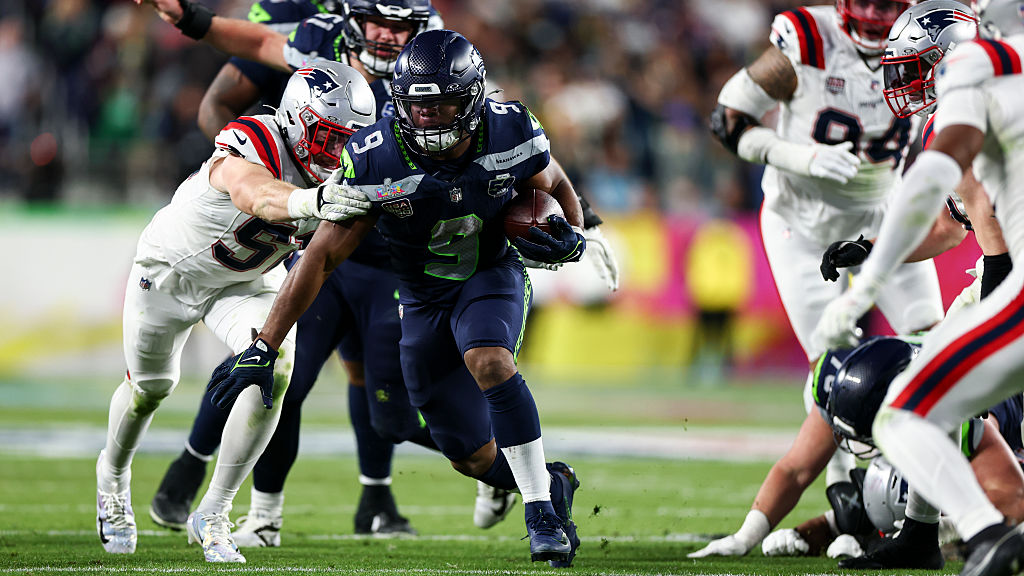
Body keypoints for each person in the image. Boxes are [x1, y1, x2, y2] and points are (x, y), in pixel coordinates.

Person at [139, 0, 521, 543]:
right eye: (378, 23)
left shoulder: (434, 68)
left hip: (395, 262)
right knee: (274, 376)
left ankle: (494, 468)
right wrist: (191, 19)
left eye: (400, 26)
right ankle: (263, 515)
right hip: (322, 245)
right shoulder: (319, 42)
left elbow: (495, 141)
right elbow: (257, 44)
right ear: (354, 19)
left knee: (391, 415)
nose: (387, 37)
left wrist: (559, 208)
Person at [204, 30, 584, 567]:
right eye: (417, 106)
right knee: (471, 456)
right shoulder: (376, 156)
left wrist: (572, 231)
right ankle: (553, 481)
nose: (427, 118)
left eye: (442, 104)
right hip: (422, 298)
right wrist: (266, 343)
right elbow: (322, 257)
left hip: (488, 273)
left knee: (489, 359)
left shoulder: (510, 127)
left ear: (473, 98)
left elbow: (552, 181)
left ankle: (541, 513)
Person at [697, 0, 955, 556]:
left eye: (887, 3)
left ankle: (922, 503)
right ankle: (849, 493)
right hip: (801, 223)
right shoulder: (809, 39)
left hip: (887, 216)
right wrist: (799, 157)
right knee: (833, 366)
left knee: (933, 344)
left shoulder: (933, 36)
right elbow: (728, 121)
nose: (875, 13)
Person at [95, 60, 376, 563]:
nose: (337, 154)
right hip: (169, 274)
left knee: (277, 365)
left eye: (347, 142)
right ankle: (113, 481)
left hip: (243, 282)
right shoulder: (254, 137)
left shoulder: (341, 171)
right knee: (150, 389)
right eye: (329, 138)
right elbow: (258, 196)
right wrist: (316, 200)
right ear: (296, 119)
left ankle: (216, 512)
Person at [812, 1, 1024, 573]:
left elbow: (990, 226)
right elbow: (954, 224)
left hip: (1014, 277)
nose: (902, 81)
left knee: (918, 403)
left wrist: (1000, 327)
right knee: (931, 395)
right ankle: (925, 532)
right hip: (1005, 272)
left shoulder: (974, 100)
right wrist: (876, 249)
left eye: (913, 67)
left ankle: (976, 530)